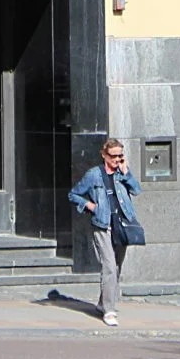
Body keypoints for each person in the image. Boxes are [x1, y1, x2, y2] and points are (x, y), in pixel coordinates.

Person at [68, 138, 142, 326]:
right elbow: (74, 194)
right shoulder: (94, 175)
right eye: (114, 156)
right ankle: (109, 310)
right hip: (103, 225)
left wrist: (126, 173)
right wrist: (90, 206)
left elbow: (137, 190)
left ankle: (102, 303)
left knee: (116, 267)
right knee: (109, 266)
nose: (117, 159)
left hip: (122, 225)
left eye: (120, 155)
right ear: (104, 155)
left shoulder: (121, 174)